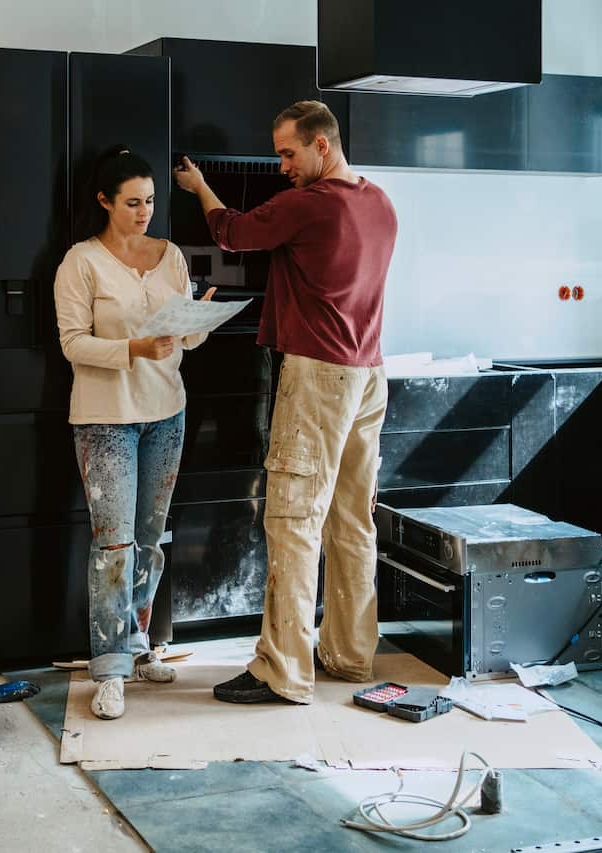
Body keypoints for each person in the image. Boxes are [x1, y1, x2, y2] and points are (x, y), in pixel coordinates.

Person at [173, 100, 398, 705]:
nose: (282, 166)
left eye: (288, 153)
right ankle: (350, 656)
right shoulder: (379, 202)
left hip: (319, 378)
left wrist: (200, 188)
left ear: (322, 145)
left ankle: (284, 671)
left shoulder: (310, 204)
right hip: (369, 375)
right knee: (353, 521)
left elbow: (234, 233)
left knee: (293, 520)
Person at [54, 144, 217, 720]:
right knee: (113, 548)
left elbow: (186, 344)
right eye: (132, 202)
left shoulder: (170, 254)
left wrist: (198, 319)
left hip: (166, 412)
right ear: (104, 201)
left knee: (150, 541)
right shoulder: (82, 262)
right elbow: (72, 343)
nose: (144, 212)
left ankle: (140, 645)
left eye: (149, 201)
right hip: (104, 421)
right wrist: (134, 348)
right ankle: (111, 670)